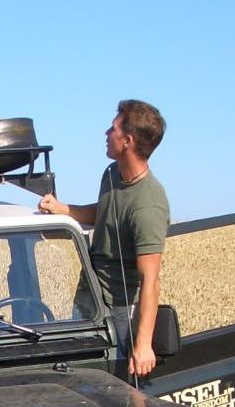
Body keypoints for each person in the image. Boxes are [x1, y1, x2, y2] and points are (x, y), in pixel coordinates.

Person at [37, 100, 169, 379]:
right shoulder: (112, 175)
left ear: (128, 141)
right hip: (89, 298)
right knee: (79, 379)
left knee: (118, 387)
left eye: (113, 129)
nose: (106, 134)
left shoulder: (148, 206)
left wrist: (143, 344)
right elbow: (105, 212)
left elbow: (151, 280)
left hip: (119, 310)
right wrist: (63, 211)